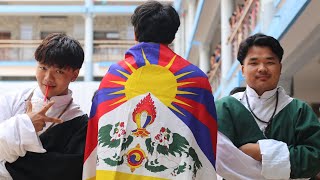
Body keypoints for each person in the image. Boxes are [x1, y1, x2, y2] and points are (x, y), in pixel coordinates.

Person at [83, 1, 217, 180]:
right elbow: (205, 136)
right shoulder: (196, 79)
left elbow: (97, 132)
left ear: (136, 33)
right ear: (172, 37)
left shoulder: (115, 75)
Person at [215, 33, 320, 179]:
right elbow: (220, 159)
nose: (262, 68)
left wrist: (259, 151)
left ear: (280, 67)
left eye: (270, 62)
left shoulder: (299, 110)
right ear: (243, 70)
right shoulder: (224, 108)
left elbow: (313, 159)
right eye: (254, 62)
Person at [0, 33, 88, 180]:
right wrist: (26, 124)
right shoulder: (11, 101)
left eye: (59, 71)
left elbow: (64, 172)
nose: (48, 78)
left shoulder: (80, 123)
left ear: (74, 75)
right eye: (43, 68)